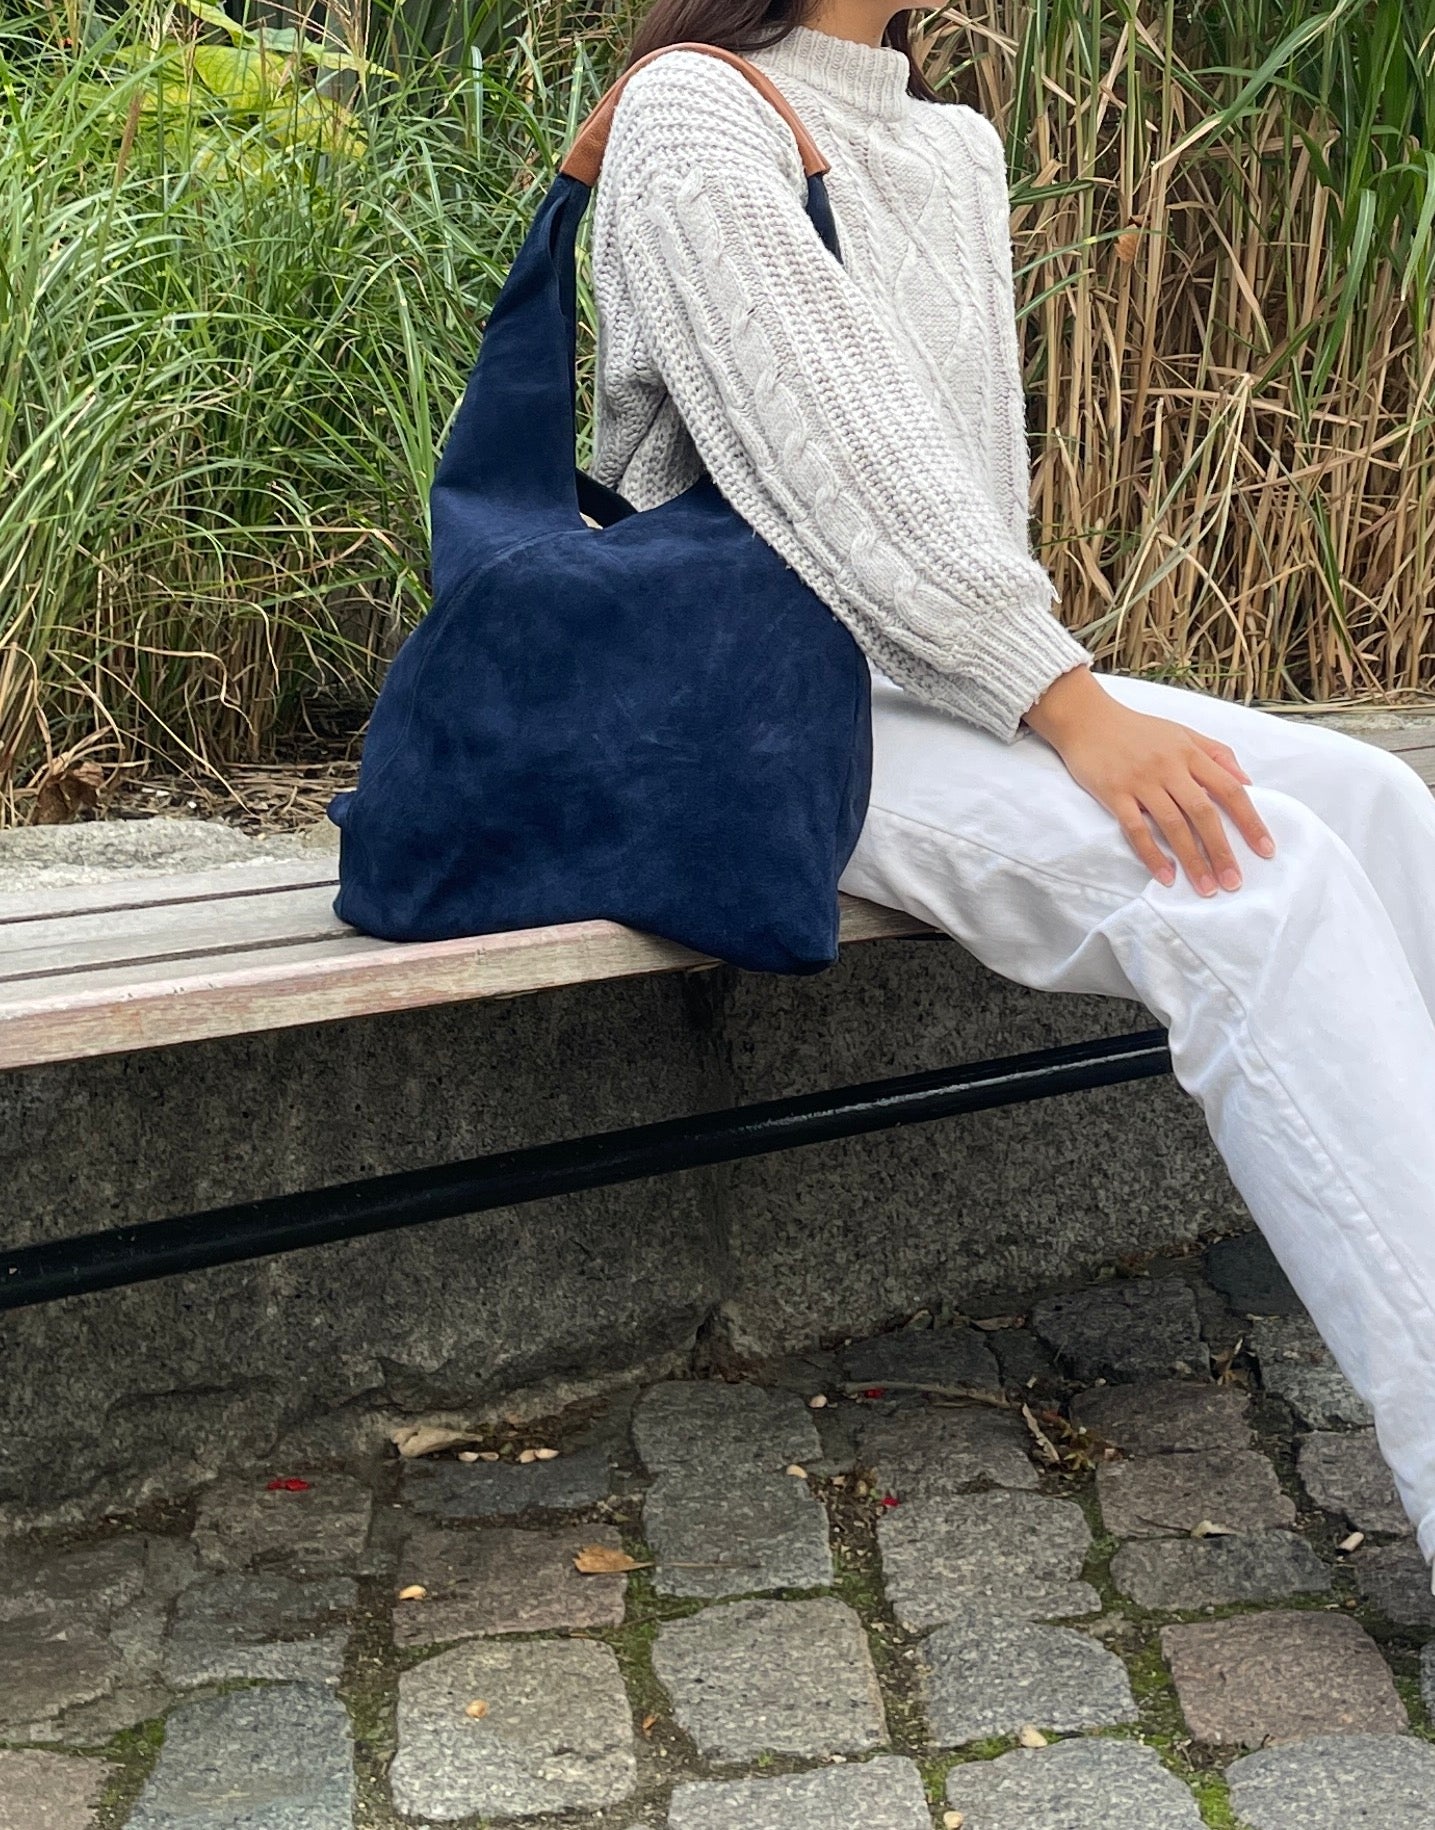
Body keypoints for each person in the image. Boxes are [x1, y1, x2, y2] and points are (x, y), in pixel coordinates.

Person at [587, 0, 1435, 1582]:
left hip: (930, 679)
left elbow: (954, 491)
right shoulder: (694, 118)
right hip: (751, 716)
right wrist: (1065, 706)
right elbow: (836, 469)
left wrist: (1042, 689)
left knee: (1375, 803)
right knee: (1255, 891)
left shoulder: (946, 139)